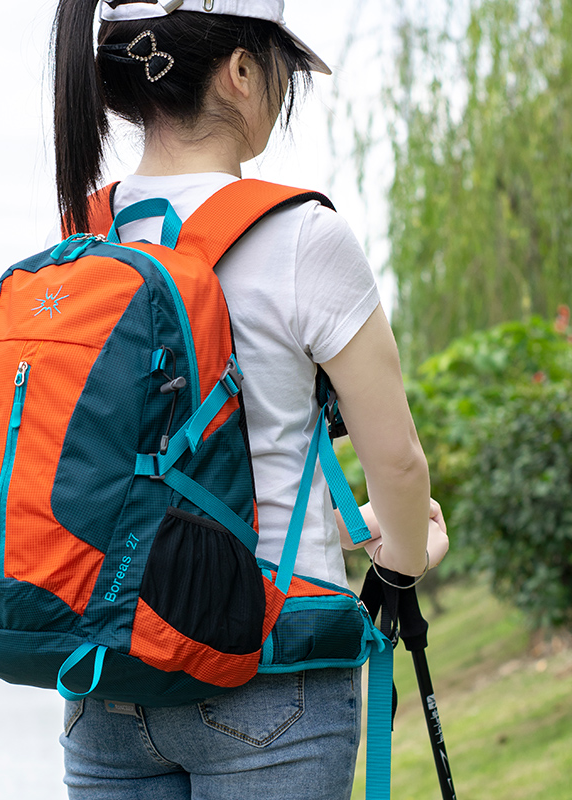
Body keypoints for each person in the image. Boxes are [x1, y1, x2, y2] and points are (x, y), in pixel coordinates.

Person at [50, 2, 449, 798]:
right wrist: (400, 564)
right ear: (239, 70)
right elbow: (397, 462)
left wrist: (341, 527)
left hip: (105, 678)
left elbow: (135, 478)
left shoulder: (82, 237)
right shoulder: (302, 236)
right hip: (273, 674)